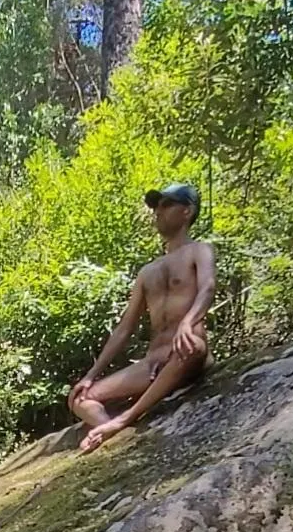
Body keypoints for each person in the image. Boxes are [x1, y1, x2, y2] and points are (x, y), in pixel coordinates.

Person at [69, 183, 216, 453]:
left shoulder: (199, 251)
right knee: (79, 398)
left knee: (192, 347)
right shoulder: (148, 272)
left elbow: (207, 287)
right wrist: (91, 374)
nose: (158, 211)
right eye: (156, 206)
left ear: (187, 211)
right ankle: (108, 428)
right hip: (151, 364)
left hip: (184, 353)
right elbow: (124, 329)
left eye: (167, 204)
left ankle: (125, 419)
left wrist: (188, 322)